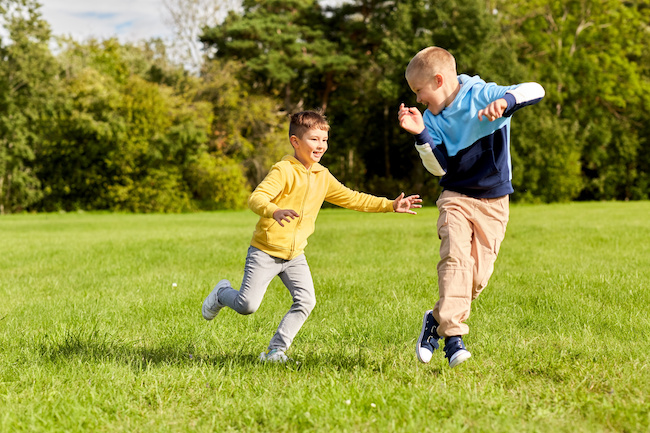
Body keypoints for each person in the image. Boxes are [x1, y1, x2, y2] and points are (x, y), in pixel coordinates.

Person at [202, 110, 422, 363]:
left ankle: (275, 351)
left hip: (295, 255)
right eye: (314, 139)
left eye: (324, 140)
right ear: (295, 142)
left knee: (305, 301)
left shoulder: (322, 176)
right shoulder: (283, 170)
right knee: (247, 305)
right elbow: (256, 198)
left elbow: (352, 197)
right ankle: (221, 293)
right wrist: (274, 210)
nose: (321, 145)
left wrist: (389, 205)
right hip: (266, 250)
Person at [398, 46, 545, 368]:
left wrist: (506, 102)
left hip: (494, 203)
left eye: (419, 91)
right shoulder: (432, 121)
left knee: (476, 279)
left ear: (438, 80)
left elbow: (535, 89)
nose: (418, 100)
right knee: (455, 259)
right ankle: (453, 339)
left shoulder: (481, 93)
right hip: (456, 197)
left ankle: (434, 319)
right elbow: (439, 169)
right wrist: (421, 133)